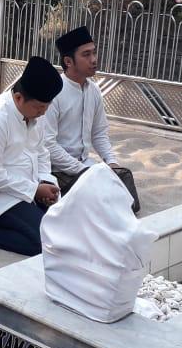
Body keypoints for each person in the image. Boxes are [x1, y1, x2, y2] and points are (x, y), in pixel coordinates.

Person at [0, 56, 63, 256]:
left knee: (65, 231)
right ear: (19, 97)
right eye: (39, 107)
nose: (43, 113)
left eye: (46, 107)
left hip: (31, 189)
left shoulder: (36, 113)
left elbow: (42, 153)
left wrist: (46, 181)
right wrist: (35, 190)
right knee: (42, 244)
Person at [47, 26, 141, 212]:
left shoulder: (94, 90)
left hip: (85, 165)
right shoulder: (53, 92)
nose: (94, 60)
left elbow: (99, 134)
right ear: (68, 61)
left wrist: (111, 162)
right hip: (56, 170)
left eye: (94, 53)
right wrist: (81, 170)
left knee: (127, 194)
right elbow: (48, 145)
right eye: (86, 55)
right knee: (101, 203)